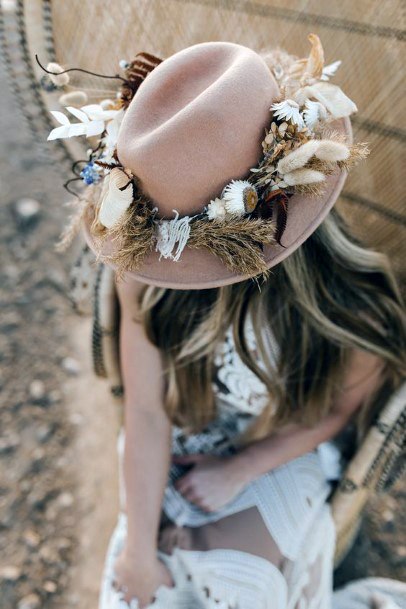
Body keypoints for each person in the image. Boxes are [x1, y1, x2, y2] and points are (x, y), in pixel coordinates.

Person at [44, 35, 405, 609]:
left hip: (285, 443)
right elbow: (144, 410)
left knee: (245, 589)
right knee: (140, 584)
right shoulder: (148, 283)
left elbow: (338, 412)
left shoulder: (347, 308)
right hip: (188, 429)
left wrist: (240, 469)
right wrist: (137, 550)